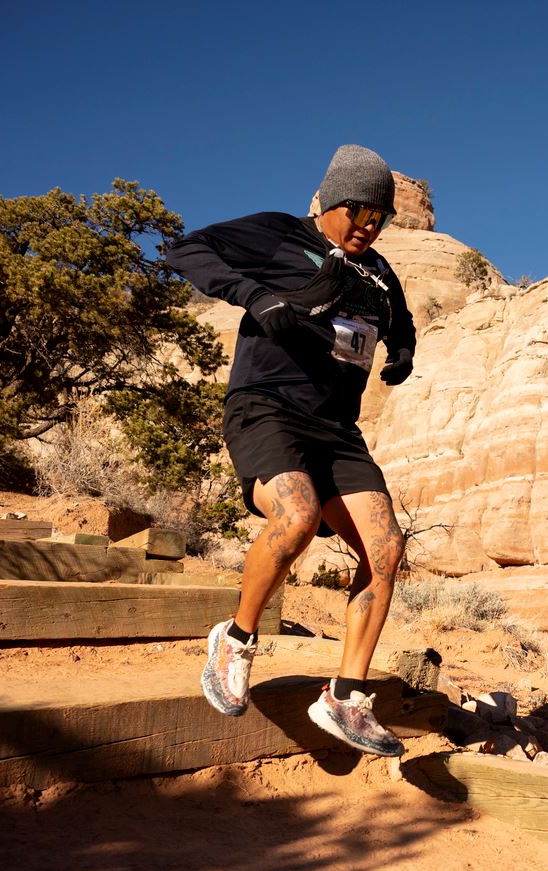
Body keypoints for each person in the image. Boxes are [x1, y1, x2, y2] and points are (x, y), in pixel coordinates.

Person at [167, 144, 416, 757]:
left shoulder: (380, 272)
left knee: (386, 549)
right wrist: (254, 295)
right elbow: (186, 249)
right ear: (332, 201)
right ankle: (235, 639)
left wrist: (403, 352)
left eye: (378, 216)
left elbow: (399, 319)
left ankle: (345, 696)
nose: (367, 224)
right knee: (297, 515)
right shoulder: (279, 235)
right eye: (357, 210)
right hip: (267, 407)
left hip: (337, 428)